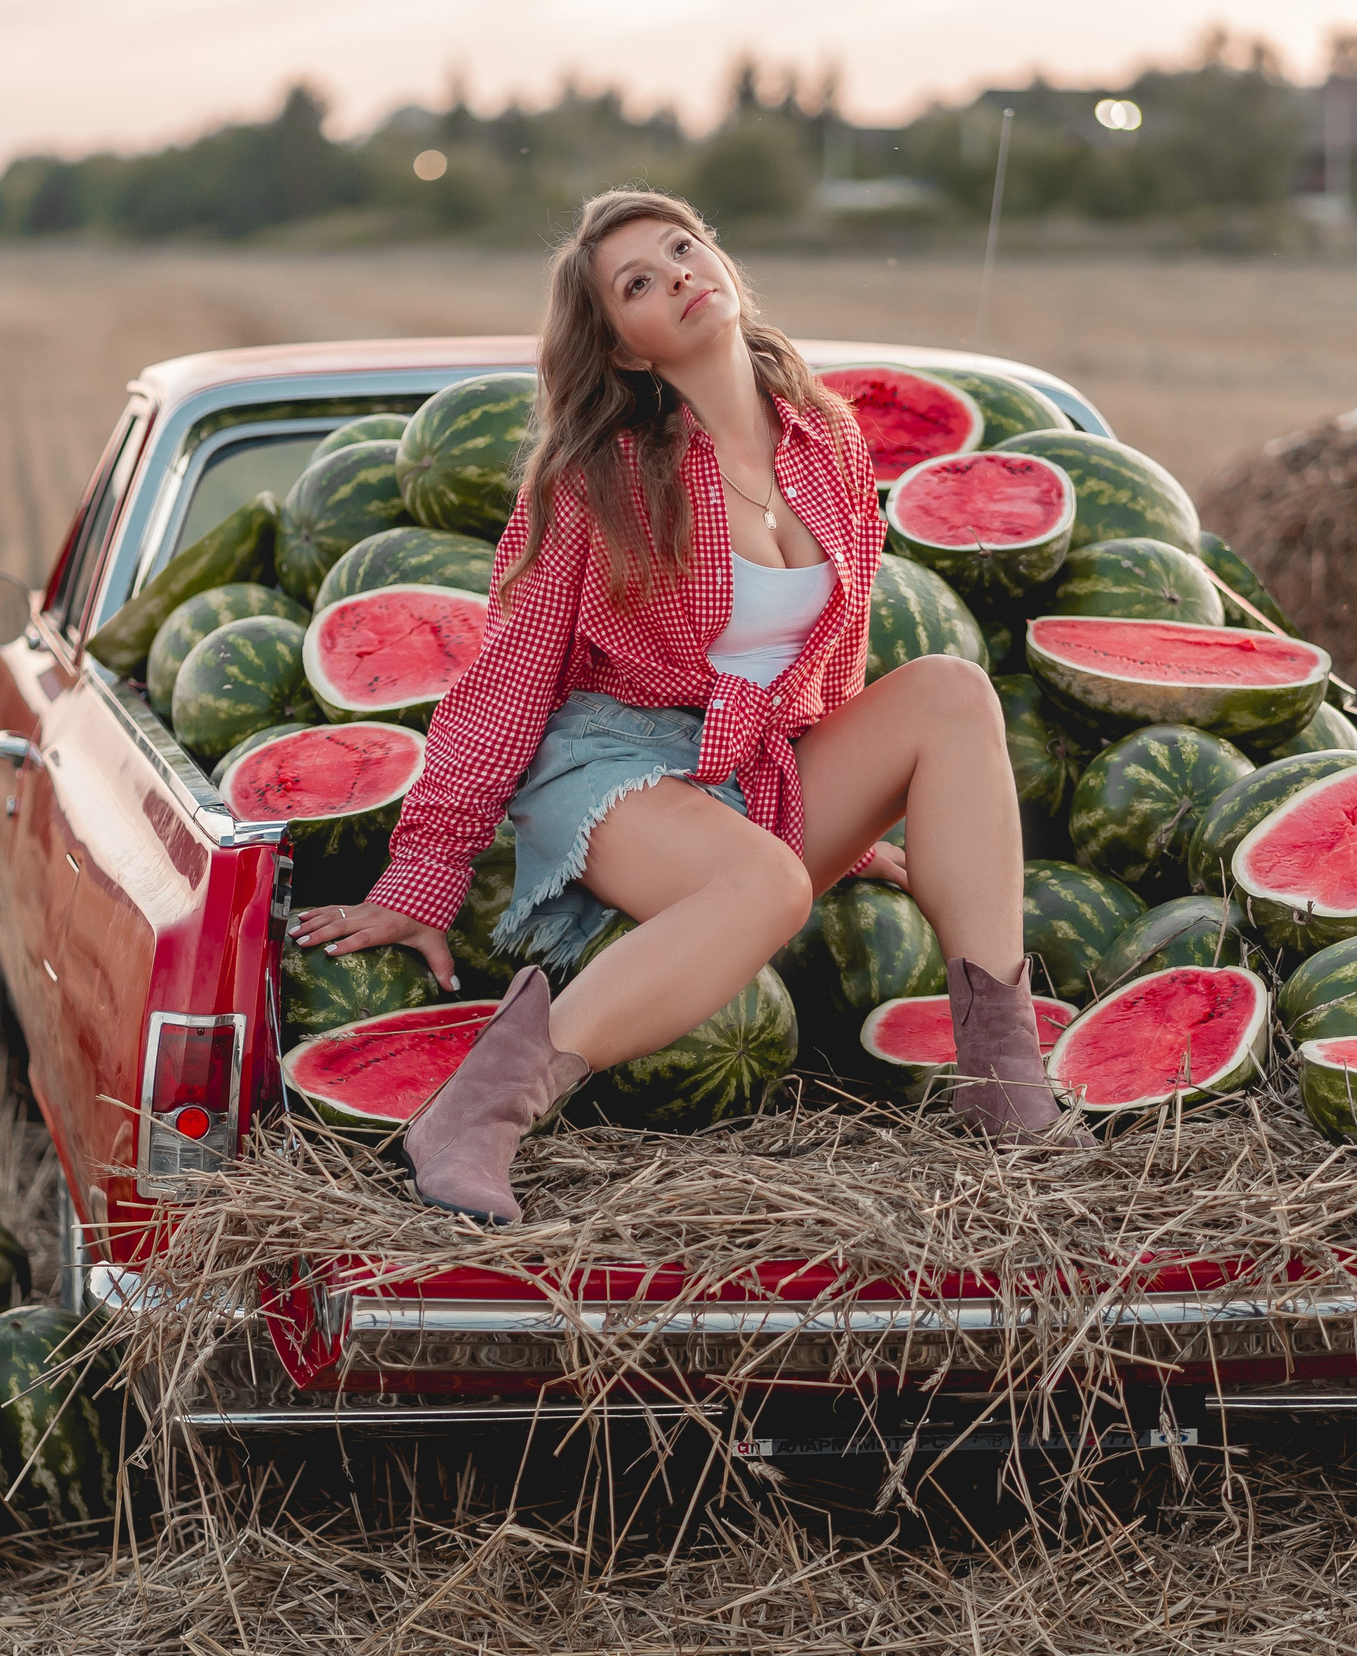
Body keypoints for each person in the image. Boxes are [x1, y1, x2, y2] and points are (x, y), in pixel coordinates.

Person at [290, 188, 1066, 1226]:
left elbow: (835, 653)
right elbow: (507, 675)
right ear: (624, 349)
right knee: (764, 882)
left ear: (727, 266)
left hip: (753, 764)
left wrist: (861, 805)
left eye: (685, 248)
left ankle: (1004, 1084)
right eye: (639, 284)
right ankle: (477, 1114)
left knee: (950, 690)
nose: (680, 276)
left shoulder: (827, 442)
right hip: (610, 760)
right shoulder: (595, 475)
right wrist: (424, 872)